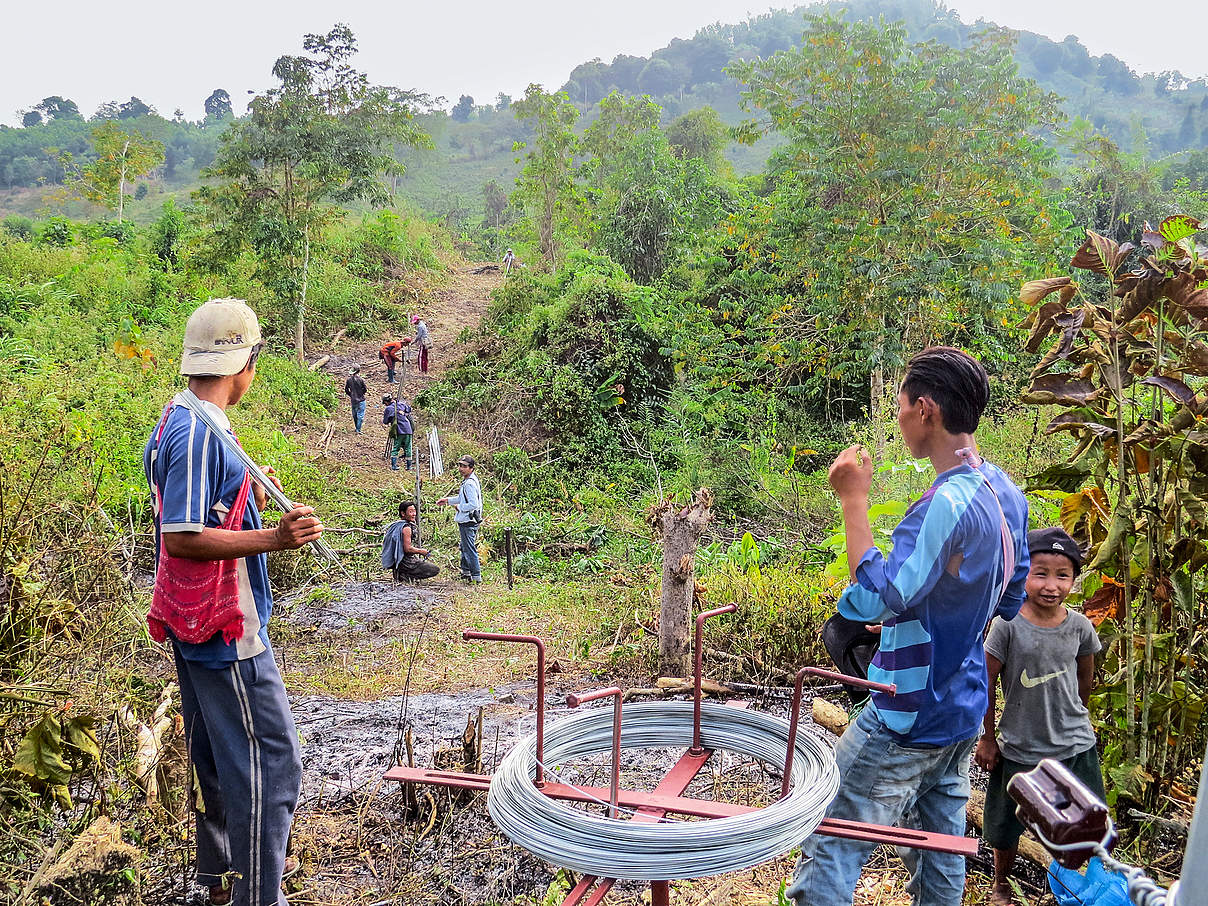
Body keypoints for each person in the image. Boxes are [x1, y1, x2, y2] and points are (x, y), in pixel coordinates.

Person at [786, 346, 1029, 906]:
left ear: (925, 410)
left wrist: (853, 500)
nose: (896, 419)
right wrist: (925, 617)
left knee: (832, 835)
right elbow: (1008, 599)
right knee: (940, 847)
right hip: (962, 705)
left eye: (899, 406)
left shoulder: (947, 503)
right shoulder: (1005, 493)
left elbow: (875, 596)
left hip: (906, 710)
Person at [143, 298, 323, 906]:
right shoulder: (196, 434)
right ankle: (255, 897)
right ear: (243, 362)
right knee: (273, 766)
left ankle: (217, 881)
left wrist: (246, 498)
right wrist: (276, 537)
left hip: (194, 620)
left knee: (219, 754)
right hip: (226, 628)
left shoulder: (186, 418)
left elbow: (196, 509)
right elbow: (183, 534)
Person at [976, 527, 1104, 906]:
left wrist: (1077, 717)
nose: (1051, 585)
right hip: (1020, 746)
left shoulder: (1079, 626)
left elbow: (1085, 679)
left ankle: (1082, 884)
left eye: (1062, 576)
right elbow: (985, 681)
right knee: (1005, 824)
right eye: (1040, 573)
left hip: (1074, 745)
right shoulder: (1007, 624)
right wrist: (987, 737)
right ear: (1021, 575)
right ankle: (1001, 885)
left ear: (1074, 581)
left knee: (1087, 817)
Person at [437, 454, 483, 582]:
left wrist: (459, 508)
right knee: (464, 546)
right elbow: (463, 498)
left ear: (471, 468)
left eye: (464, 466)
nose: (461, 468)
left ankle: (476, 576)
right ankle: (466, 571)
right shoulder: (469, 480)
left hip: (468, 520)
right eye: (460, 465)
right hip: (469, 519)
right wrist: (447, 500)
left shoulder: (469, 484)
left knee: (469, 548)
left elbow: (473, 504)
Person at [381, 500, 440, 582]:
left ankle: (401, 573)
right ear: (403, 513)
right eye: (410, 511)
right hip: (406, 563)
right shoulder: (406, 528)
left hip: (399, 561)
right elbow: (407, 549)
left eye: (414, 511)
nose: (414, 514)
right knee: (434, 569)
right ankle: (405, 574)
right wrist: (421, 551)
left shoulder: (397, 525)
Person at [382, 394, 414, 471]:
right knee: (408, 448)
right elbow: (409, 409)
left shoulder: (388, 409)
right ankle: (409, 467)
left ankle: (394, 466)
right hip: (408, 429)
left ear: (386, 402)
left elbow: (385, 421)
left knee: (396, 447)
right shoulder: (401, 404)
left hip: (398, 430)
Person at [344, 365, 367, 434]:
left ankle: (356, 427)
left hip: (353, 400)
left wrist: (351, 395)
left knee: (355, 414)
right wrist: (361, 394)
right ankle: (358, 429)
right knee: (360, 415)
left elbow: (346, 390)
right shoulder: (361, 380)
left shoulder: (349, 380)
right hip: (361, 400)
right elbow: (365, 389)